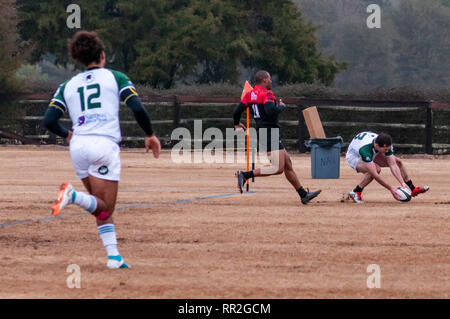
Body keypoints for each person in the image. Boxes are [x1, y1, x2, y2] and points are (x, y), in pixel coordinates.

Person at [43, 31, 161, 269]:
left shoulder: (67, 85)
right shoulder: (115, 77)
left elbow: (48, 120)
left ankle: (114, 256)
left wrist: (67, 134)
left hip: (78, 148)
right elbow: (137, 108)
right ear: (103, 55)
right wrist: (149, 134)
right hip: (103, 146)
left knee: (98, 206)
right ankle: (72, 195)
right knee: (105, 207)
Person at [233, 70, 321, 205]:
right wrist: (280, 107)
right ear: (264, 80)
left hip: (264, 132)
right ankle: (244, 175)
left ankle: (303, 195)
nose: (271, 81)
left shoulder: (249, 95)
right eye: (269, 79)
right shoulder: (266, 93)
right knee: (277, 168)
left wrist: (236, 124)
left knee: (287, 164)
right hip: (269, 132)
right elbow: (270, 112)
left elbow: (237, 111)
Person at [346, 131, 429, 203]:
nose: (387, 151)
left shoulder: (383, 144)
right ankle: (356, 192)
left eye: (388, 149)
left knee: (398, 162)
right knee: (376, 169)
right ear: (376, 145)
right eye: (385, 149)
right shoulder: (365, 150)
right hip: (354, 156)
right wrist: (391, 188)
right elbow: (375, 174)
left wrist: (402, 183)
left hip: (372, 150)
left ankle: (412, 188)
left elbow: (393, 164)